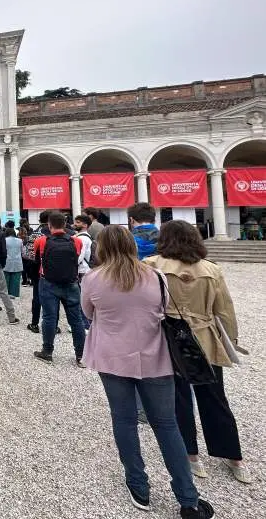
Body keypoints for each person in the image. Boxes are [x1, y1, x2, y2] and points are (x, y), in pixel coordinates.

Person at [81, 225, 216, 519]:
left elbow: (88, 314)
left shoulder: (93, 279)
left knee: (124, 420)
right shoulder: (154, 276)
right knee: (167, 425)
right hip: (153, 356)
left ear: (101, 248)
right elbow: (163, 308)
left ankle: (138, 485)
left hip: (113, 357)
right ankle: (188, 498)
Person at [145, 220, 251, 485]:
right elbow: (224, 310)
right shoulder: (211, 270)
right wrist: (231, 339)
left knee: (178, 397)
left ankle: (191, 455)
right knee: (214, 397)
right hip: (204, 336)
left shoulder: (152, 266)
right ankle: (233, 456)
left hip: (169, 336)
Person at [32, 212, 87, 365]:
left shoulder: (41, 241)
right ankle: (81, 355)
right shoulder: (76, 241)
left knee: (49, 318)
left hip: (48, 282)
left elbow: (37, 260)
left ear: (49, 225)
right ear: (65, 224)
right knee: (76, 320)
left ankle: (47, 351)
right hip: (71, 283)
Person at [24, 211, 51, 333]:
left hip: (37, 270)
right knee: (53, 298)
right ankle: (53, 325)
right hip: (55, 271)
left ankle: (35, 323)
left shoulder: (34, 235)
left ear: (40, 220)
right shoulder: (62, 234)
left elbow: (29, 255)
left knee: (37, 297)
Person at [3, 227, 23, 298]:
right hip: (17, 261)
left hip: (7, 261)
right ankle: (14, 293)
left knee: (6, 278)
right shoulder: (20, 241)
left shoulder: (4, 240)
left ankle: (5, 293)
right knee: (16, 279)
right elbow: (22, 252)